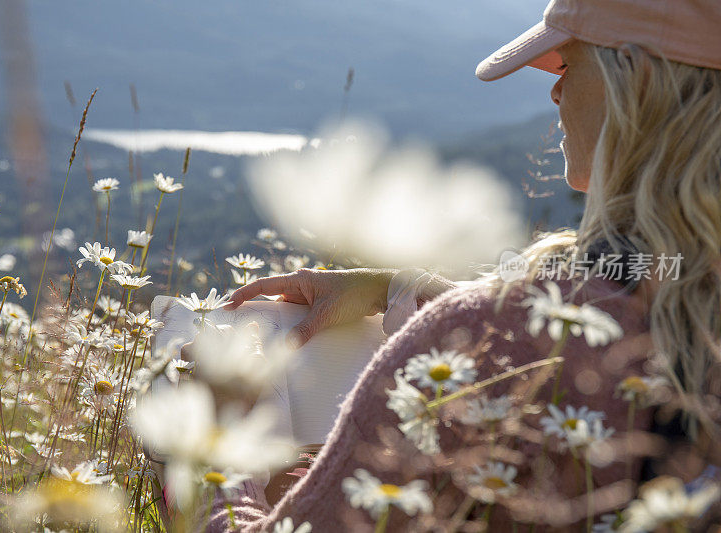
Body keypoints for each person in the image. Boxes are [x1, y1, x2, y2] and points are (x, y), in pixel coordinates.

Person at [189, 0, 721, 530]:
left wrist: (217, 433)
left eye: (567, 65)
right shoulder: (683, 288)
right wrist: (400, 291)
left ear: (642, 82)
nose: (555, 93)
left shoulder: (484, 333)